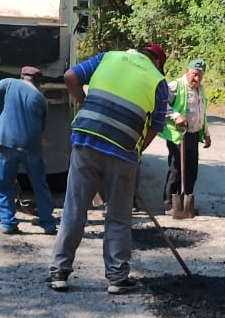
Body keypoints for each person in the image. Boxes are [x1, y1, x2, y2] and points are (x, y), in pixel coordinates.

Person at [47, 44, 169, 294]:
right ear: (157, 62)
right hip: (122, 150)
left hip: (86, 139)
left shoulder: (108, 57)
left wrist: (83, 101)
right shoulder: (159, 81)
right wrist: (135, 152)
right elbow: (156, 126)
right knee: (118, 215)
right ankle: (116, 278)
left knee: (74, 208)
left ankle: (59, 272)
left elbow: (70, 77)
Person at [0, 66, 57, 235]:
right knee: (39, 184)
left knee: (3, 183)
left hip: (6, 142)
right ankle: (48, 223)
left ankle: (8, 223)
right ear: (38, 83)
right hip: (31, 146)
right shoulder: (41, 99)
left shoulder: (8, 83)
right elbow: (40, 130)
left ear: (22, 77)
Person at [161, 58, 211, 215]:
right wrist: (176, 115)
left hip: (193, 135)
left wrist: (207, 134)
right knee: (176, 169)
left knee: (192, 169)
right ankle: (170, 204)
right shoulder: (176, 85)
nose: (197, 79)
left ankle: (186, 203)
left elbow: (202, 113)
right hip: (178, 135)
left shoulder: (200, 89)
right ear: (187, 71)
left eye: (200, 76)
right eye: (194, 74)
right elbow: (161, 102)